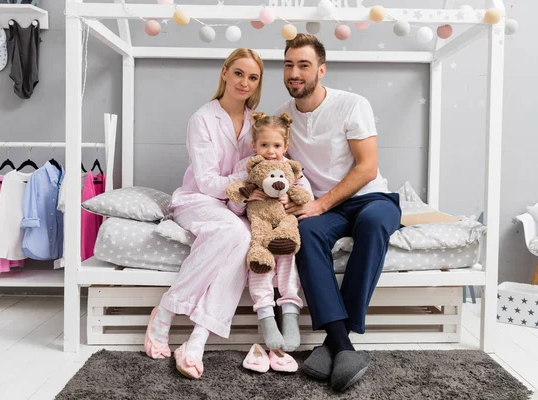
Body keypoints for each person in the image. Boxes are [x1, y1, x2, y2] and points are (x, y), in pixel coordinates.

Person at [277, 34, 402, 391]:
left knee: (374, 224)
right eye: (289, 65)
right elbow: (280, 165)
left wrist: (321, 203)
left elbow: (366, 167)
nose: (295, 72)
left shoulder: (352, 104)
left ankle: (335, 341)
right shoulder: (284, 115)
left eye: (303, 65)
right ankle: (343, 345)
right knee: (307, 232)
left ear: (321, 69)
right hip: (324, 205)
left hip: (370, 198)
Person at [143, 48, 264, 380]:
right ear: (225, 72)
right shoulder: (202, 118)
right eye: (238, 73)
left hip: (235, 206)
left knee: (244, 238)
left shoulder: (258, 122)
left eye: (252, 77)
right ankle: (166, 310)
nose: (244, 82)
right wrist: (246, 180)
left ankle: (197, 339)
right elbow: (209, 181)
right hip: (198, 199)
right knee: (234, 233)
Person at [227, 112, 314, 373]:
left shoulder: (291, 168)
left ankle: (289, 314)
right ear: (254, 145)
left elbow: (306, 196)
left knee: (289, 257)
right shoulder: (246, 167)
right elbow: (232, 203)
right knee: (258, 261)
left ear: (285, 146)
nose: (270, 152)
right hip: (259, 229)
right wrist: (247, 197)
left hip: (283, 228)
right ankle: (266, 315)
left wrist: (292, 201)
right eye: (264, 145)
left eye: (276, 146)